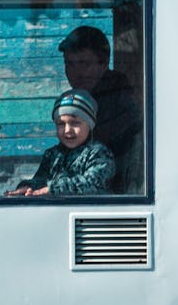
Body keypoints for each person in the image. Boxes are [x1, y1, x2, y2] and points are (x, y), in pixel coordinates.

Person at [58, 25, 143, 193]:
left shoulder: (116, 103)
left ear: (104, 64)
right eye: (70, 64)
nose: (76, 73)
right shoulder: (86, 101)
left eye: (84, 63)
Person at [7, 89, 115, 196]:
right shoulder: (53, 155)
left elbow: (91, 183)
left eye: (75, 123)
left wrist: (52, 189)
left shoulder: (98, 154)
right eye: (61, 124)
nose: (67, 130)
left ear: (90, 125)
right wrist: (29, 187)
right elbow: (42, 181)